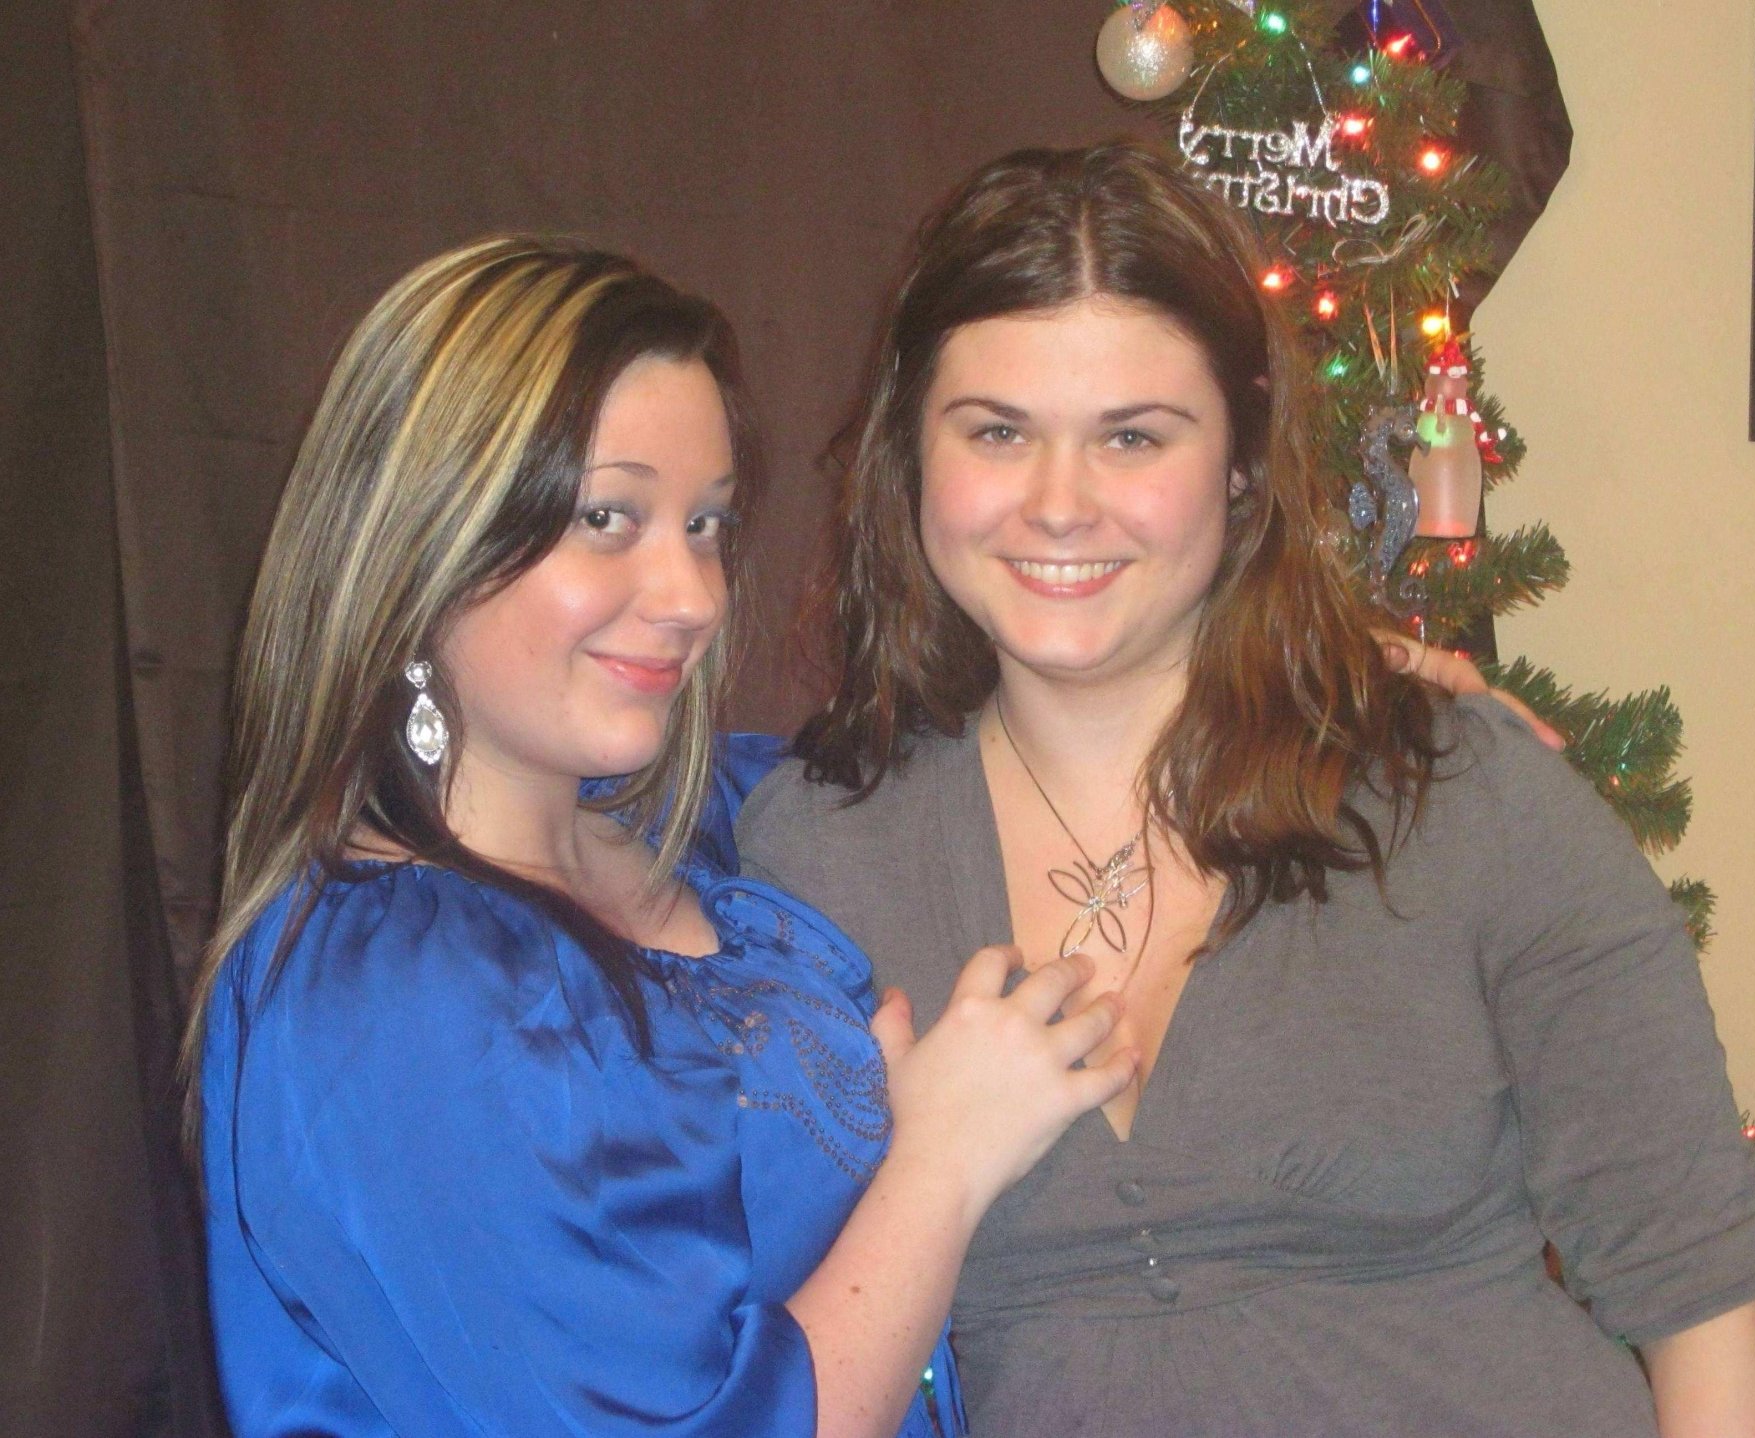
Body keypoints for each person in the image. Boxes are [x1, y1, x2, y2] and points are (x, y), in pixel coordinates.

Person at [737, 142, 1755, 1437]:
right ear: (913, 451)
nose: (1059, 504)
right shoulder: (814, 855)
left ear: (1241, 459)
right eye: (998, 432)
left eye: (1134, 436)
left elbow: (1712, 1315)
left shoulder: (1462, 798)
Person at [186, 237, 1140, 1438]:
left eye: (705, 524)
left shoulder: (711, 827)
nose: (692, 596)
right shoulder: (394, 997)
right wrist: (941, 1163)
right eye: (607, 516)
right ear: (423, 544)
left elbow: (1007, 753)